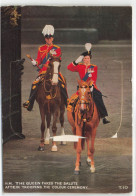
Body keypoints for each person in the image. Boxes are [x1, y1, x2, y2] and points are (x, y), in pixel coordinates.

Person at [23, 25, 68, 111]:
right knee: (34, 84)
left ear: (52, 38)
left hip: (54, 70)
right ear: (45, 39)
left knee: (62, 84)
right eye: (47, 38)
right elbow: (38, 61)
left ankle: (67, 103)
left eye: (50, 38)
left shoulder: (57, 49)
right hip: (43, 71)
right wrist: (35, 62)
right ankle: (30, 102)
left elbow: (59, 59)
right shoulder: (41, 48)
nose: (48, 39)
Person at [67, 43, 110, 124]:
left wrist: (91, 86)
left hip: (91, 86)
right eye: (85, 58)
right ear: (83, 59)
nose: (87, 60)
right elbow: (69, 67)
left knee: (98, 97)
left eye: (88, 58)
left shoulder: (94, 67)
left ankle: (104, 116)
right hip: (82, 86)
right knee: (74, 99)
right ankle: (73, 115)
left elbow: (94, 78)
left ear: (90, 59)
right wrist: (76, 61)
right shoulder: (79, 66)